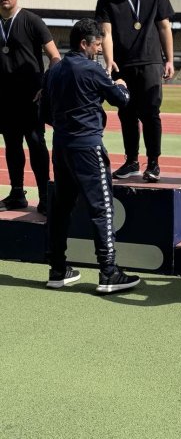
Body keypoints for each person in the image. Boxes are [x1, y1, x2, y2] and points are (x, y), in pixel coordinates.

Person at [41, 18, 140, 293]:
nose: (98, 50)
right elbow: (122, 100)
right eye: (97, 44)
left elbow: (44, 113)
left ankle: (57, 269)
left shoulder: (54, 70)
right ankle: (108, 272)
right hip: (87, 148)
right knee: (102, 208)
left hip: (61, 147)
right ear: (84, 43)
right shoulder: (91, 69)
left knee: (61, 209)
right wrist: (121, 85)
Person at [95, 0, 175, 182]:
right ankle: (131, 161)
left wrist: (169, 59)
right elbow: (106, 32)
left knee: (151, 114)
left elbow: (164, 27)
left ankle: (153, 163)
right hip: (122, 65)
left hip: (150, 61)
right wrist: (109, 61)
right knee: (126, 113)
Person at [0, 0, 60, 215]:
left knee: (36, 144)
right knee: (12, 145)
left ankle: (45, 196)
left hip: (31, 97)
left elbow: (54, 56)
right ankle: (17, 194)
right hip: (4, 99)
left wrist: (47, 84)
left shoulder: (32, 21)